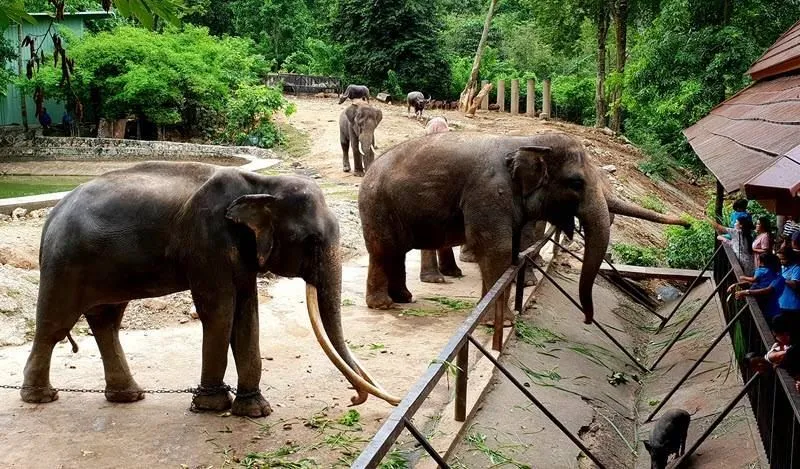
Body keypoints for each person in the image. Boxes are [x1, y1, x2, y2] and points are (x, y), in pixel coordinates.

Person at [732, 252, 784, 324]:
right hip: (763, 308)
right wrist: (736, 285)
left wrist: (746, 292)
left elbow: (766, 290)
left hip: (770, 311)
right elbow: (754, 283)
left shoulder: (778, 278)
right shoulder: (769, 273)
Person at [779, 246, 800, 324]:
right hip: (780, 303)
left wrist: (781, 279)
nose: (781, 261)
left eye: (783, 259)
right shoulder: (782, 267)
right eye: (780, 259)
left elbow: (794, 284)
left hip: (791, 306)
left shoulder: (796, 268)